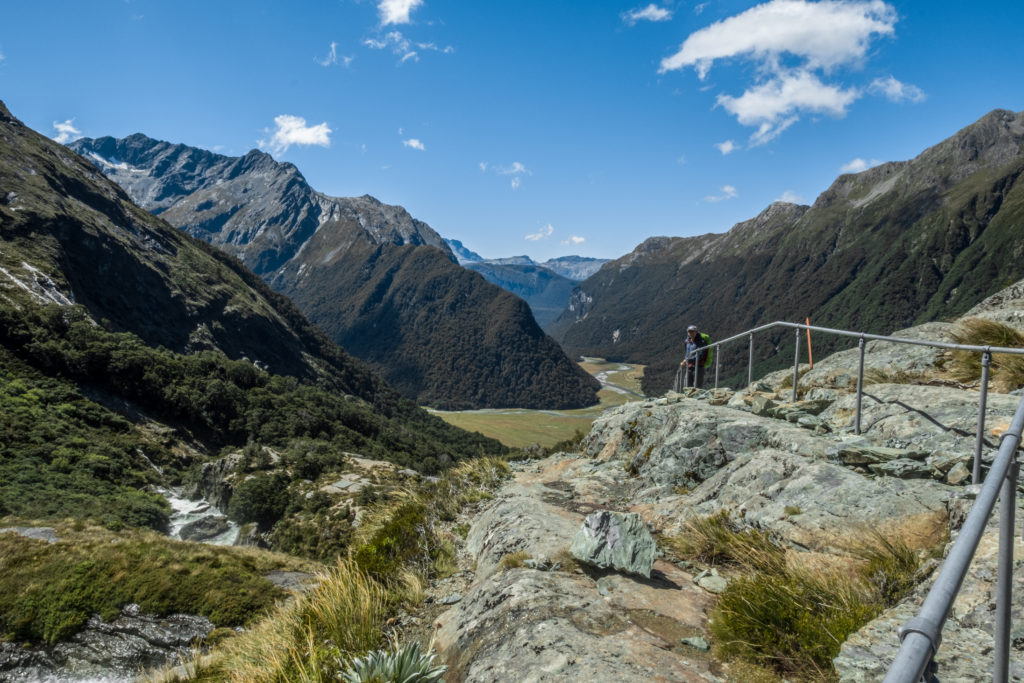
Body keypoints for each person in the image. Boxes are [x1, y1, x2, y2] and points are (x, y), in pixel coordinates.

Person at [681, 324, 712, 388]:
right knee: (687, 385)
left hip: (698, 366)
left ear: (696, 332)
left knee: (697, 386)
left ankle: (696, 397)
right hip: (689, 366)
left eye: (692, 331)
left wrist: (688, 360)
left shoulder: (700, 342)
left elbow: (700, 354)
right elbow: (687, 353)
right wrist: (685, 359)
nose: (690, 333)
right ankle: (688, 397)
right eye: (689, 331)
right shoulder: (687, 341)